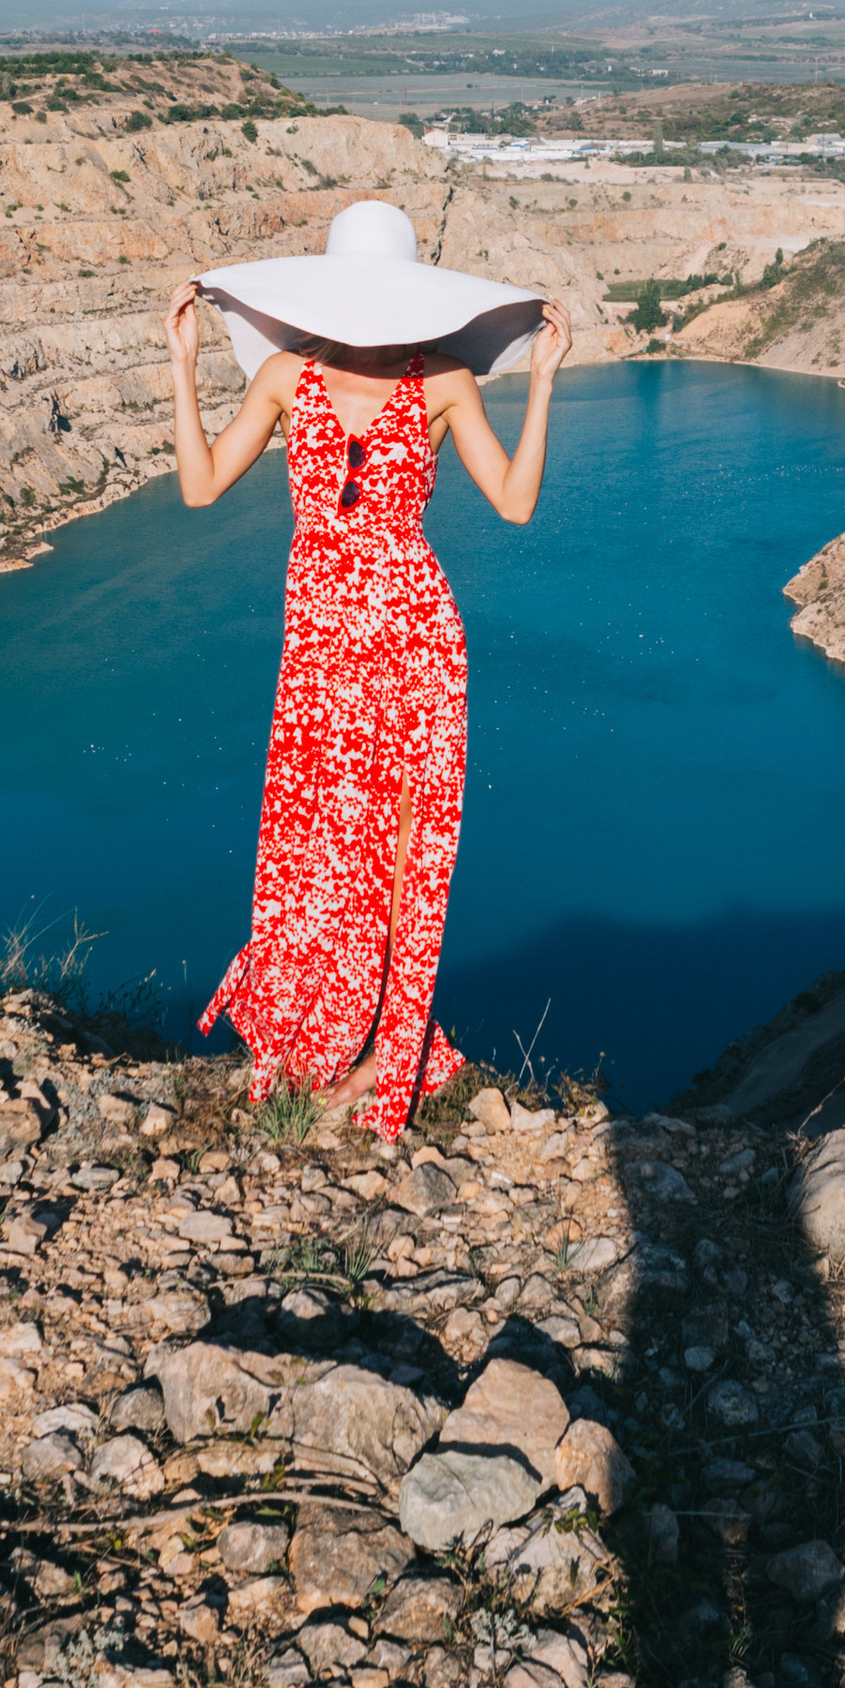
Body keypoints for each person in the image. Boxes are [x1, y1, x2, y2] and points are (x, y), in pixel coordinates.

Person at [167, 199, 570, 1138]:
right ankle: (317, 1037)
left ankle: (392, 1050)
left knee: (398, 848)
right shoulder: (280, 374)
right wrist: (182, 368)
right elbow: (198, 486)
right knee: (310, 847)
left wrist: (541, 384)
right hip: (317, 645)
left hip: (411, 634)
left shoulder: (449, 383)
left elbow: (513, 502)